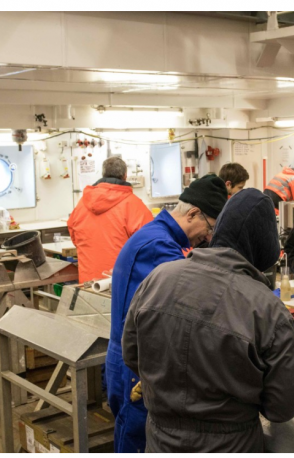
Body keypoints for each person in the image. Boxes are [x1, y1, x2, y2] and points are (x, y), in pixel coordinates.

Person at [122, 189, 294, 453]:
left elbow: (132, 354)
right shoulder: (267, 309)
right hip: (231, 445)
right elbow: (283, 406)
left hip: (161, 441)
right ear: (265, 248)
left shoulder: (158, 278)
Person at [106, 174, 228, 453]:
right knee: (137, 442)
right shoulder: (159, 246)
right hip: (136, 369)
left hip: (132, 360)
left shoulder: (159, 236)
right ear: (193, 213)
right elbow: (190, 300)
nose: (208, 237)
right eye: (209, 228)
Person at [67, 157, 153, 283]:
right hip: (120, 283)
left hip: (88, 282)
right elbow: (150, 245)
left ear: (103, 174)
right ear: (125, 175)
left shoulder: (81, 204)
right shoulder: (134, 205)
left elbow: (74, 236)